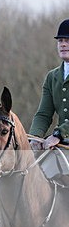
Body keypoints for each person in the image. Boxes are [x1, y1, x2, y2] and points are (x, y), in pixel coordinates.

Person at [29, 18, 69, 150]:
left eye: (67, 41)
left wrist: (59, 134)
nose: (63, 44)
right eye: (60, 41)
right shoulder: (52, 77)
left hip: (60, 138)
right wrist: (35, 137)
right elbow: (43, 114)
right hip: (63, 143)